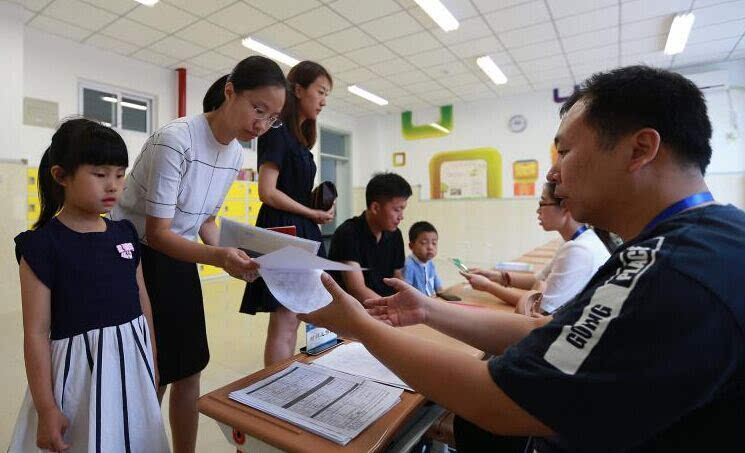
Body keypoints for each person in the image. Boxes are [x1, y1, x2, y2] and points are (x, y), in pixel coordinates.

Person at [298, 65, 745, 452]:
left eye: (565, 151)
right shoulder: (696, 242)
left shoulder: (674, 270)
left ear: (640, 149)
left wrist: (360, 325)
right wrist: (426, 309)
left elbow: (495, 399)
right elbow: (551, 333)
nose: (553, 172)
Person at [111, 56, 286, 453]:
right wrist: (221, 258)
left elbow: (206, 220)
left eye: (272, 118)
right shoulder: (177, 139)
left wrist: (230, 250)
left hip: (179, 255)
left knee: (190, 368)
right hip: (136, 257)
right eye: (258, 109)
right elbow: (157, 233)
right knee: (153, 372)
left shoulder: (235, 155)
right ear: (229, 92)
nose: (261, 124)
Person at [8, 118, 169, 453]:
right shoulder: (41, 247)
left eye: (119, 174)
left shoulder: (124, 234)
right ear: (61, 176)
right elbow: (35, 332)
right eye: (100, 174)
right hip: (78, 377)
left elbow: (143, 301)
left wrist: (152, 361)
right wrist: (47, 408)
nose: (113, 185)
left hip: (132, 363)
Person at [239, 61, 334, 367]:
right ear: (298, 89)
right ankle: (277, 383)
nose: (323, 101)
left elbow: (289, 189)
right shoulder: (276, 131)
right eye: (320, 92)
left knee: (294, 316)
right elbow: (266, 191)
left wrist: (316, 205)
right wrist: (309, 211)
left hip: (300, 229)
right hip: (283, 231)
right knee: (286, 316)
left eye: (326, 95)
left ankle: (283, 378)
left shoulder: (300, 139)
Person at [462, 182, 610, 315]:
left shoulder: (579, 250)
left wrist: (488, 286)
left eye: (542, 203)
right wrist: (494, 276)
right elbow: (538, 279)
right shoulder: (578, 241)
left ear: (566, 208)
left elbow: (539, 306)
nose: (538, 211)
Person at [328, 172, 412, 302]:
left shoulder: (395, 234)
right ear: (375, 208)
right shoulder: (348, 233)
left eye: (403, 209)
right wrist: (390, 309)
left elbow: (398, 277)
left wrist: (411, 300)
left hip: (384, 307)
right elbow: (357, 289)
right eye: (397, 210)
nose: (401, 216)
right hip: (353, 311)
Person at [403, 221, 443, 296]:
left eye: (434, 243)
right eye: (424, 243)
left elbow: (438, 287)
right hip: (416, 304)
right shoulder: (408, 265)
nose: (430, 247)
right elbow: (406, 290)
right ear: (411, 246)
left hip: (431, 301)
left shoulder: (430, 263)